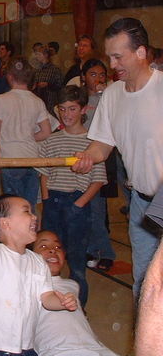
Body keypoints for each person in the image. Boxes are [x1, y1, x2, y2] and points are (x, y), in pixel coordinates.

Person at [72, 17, 163, 301]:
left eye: (118, 57)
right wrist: (87, 157)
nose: (112, 65)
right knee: (144, 284)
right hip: (140, 203)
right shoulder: (112, 95)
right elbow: (102, 144)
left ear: (141, 52)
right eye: (109, 57)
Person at [0, 195, 77, 356]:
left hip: (26, 345)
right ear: (5, 224)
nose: (34, 216)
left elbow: (47, 297)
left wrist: (61, 302)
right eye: (27, 211)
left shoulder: (38, 261)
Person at [37, 85, 107, 307]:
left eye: (72, 109)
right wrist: (47, 200)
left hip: (77, 204)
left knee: (76, 261)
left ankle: (78, 308)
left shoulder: (93, 144)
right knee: (46, 260)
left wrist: (79, 204)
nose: (67, 114)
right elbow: (44, 174)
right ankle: (47, 303)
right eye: (62, 109)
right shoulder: (51, 140)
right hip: (53, 202)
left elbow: (98, 179)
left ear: (83, 109)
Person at [32, 230, 119, 356]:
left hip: (96, 349)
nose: (52, 250)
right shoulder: (27, 284)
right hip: (58, 351)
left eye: (58, 247)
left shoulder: (72, 285)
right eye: (43, 246)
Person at [0, 56, 51, 209]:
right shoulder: (37, 101)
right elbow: (46, 132)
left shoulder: (1, 100)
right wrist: (28, 137)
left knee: (13, 206)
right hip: (31, 160)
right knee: (29, 206)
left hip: (10, 159)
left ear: (9, 77)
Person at [80, 58, 116, 271]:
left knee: (97, 210)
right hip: (82, 156)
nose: (98, 79)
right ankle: (89, 249)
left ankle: (105, 252)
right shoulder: (80, 98)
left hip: (101, 159)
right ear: (84, 77)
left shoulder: (110, 98)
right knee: (83, 208)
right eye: (93, 74)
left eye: (102, 74)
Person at [32, 46, 62, 116]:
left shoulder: (54, 69)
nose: (37, 56)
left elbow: (60, 85)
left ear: (45, 55)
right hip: (38, 100)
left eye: (39, 54)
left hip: (50, 102)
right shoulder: (37, 69)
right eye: (36, 54)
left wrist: (48, 84)